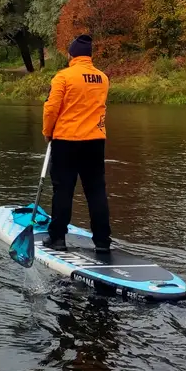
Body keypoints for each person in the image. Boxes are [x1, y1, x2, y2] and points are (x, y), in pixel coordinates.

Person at [42, 34, 111, 253]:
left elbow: (51, 108)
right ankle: (102, 241)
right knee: (96, 191)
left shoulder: (63, 77)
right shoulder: (103, 78)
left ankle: (57, 238)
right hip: (95, 141)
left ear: (71, 55)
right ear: (89, 56)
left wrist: (47, 132)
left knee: (63, 190)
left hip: (67, 140)